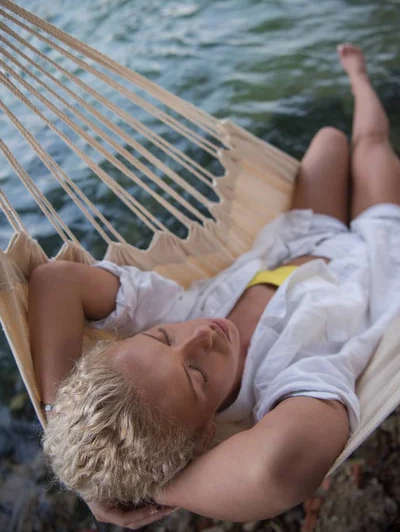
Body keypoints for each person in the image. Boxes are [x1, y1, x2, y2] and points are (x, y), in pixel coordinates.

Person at [29, 44, 400, 528]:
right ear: (205, 435)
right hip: (374, 255)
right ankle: (360, 77)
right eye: (197, 375)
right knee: (368, 143)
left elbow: (55, 281)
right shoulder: (283, 384)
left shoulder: (175, 311)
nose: (199, 336)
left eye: (162, 338)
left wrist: (62, 417)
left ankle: (351, 90)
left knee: (330, 140)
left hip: (303, 237)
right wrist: (153, 488)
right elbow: (276, 469)